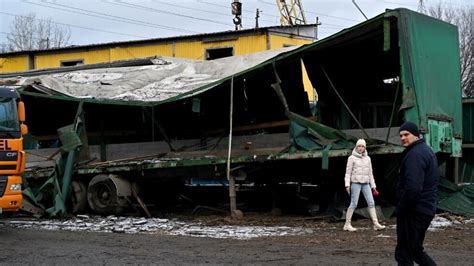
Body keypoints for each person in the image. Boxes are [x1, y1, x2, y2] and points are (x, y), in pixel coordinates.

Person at [395, 121, 438, 265]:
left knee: (404, 254)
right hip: (425, 209)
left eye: (406, 134)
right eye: (401, 135)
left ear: (416, 135)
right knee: (415, 251)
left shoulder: (415, 155)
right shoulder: (425, 150)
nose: (402, 138)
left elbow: (413, 188)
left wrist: (401, 207)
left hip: (414, 211)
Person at [343, 139, 385, 231]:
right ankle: (347, 224)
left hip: (366, 183)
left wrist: (373, 186)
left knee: (371, 202)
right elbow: (348, 173)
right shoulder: (351, 158)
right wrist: (347, 185)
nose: (361, 148)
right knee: (354, 203)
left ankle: (375, 223)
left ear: (365, 147)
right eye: (359, 146)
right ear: (356, 147)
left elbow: (370, 173)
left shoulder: (368, 158)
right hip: (355, 183)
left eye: (362, 146)